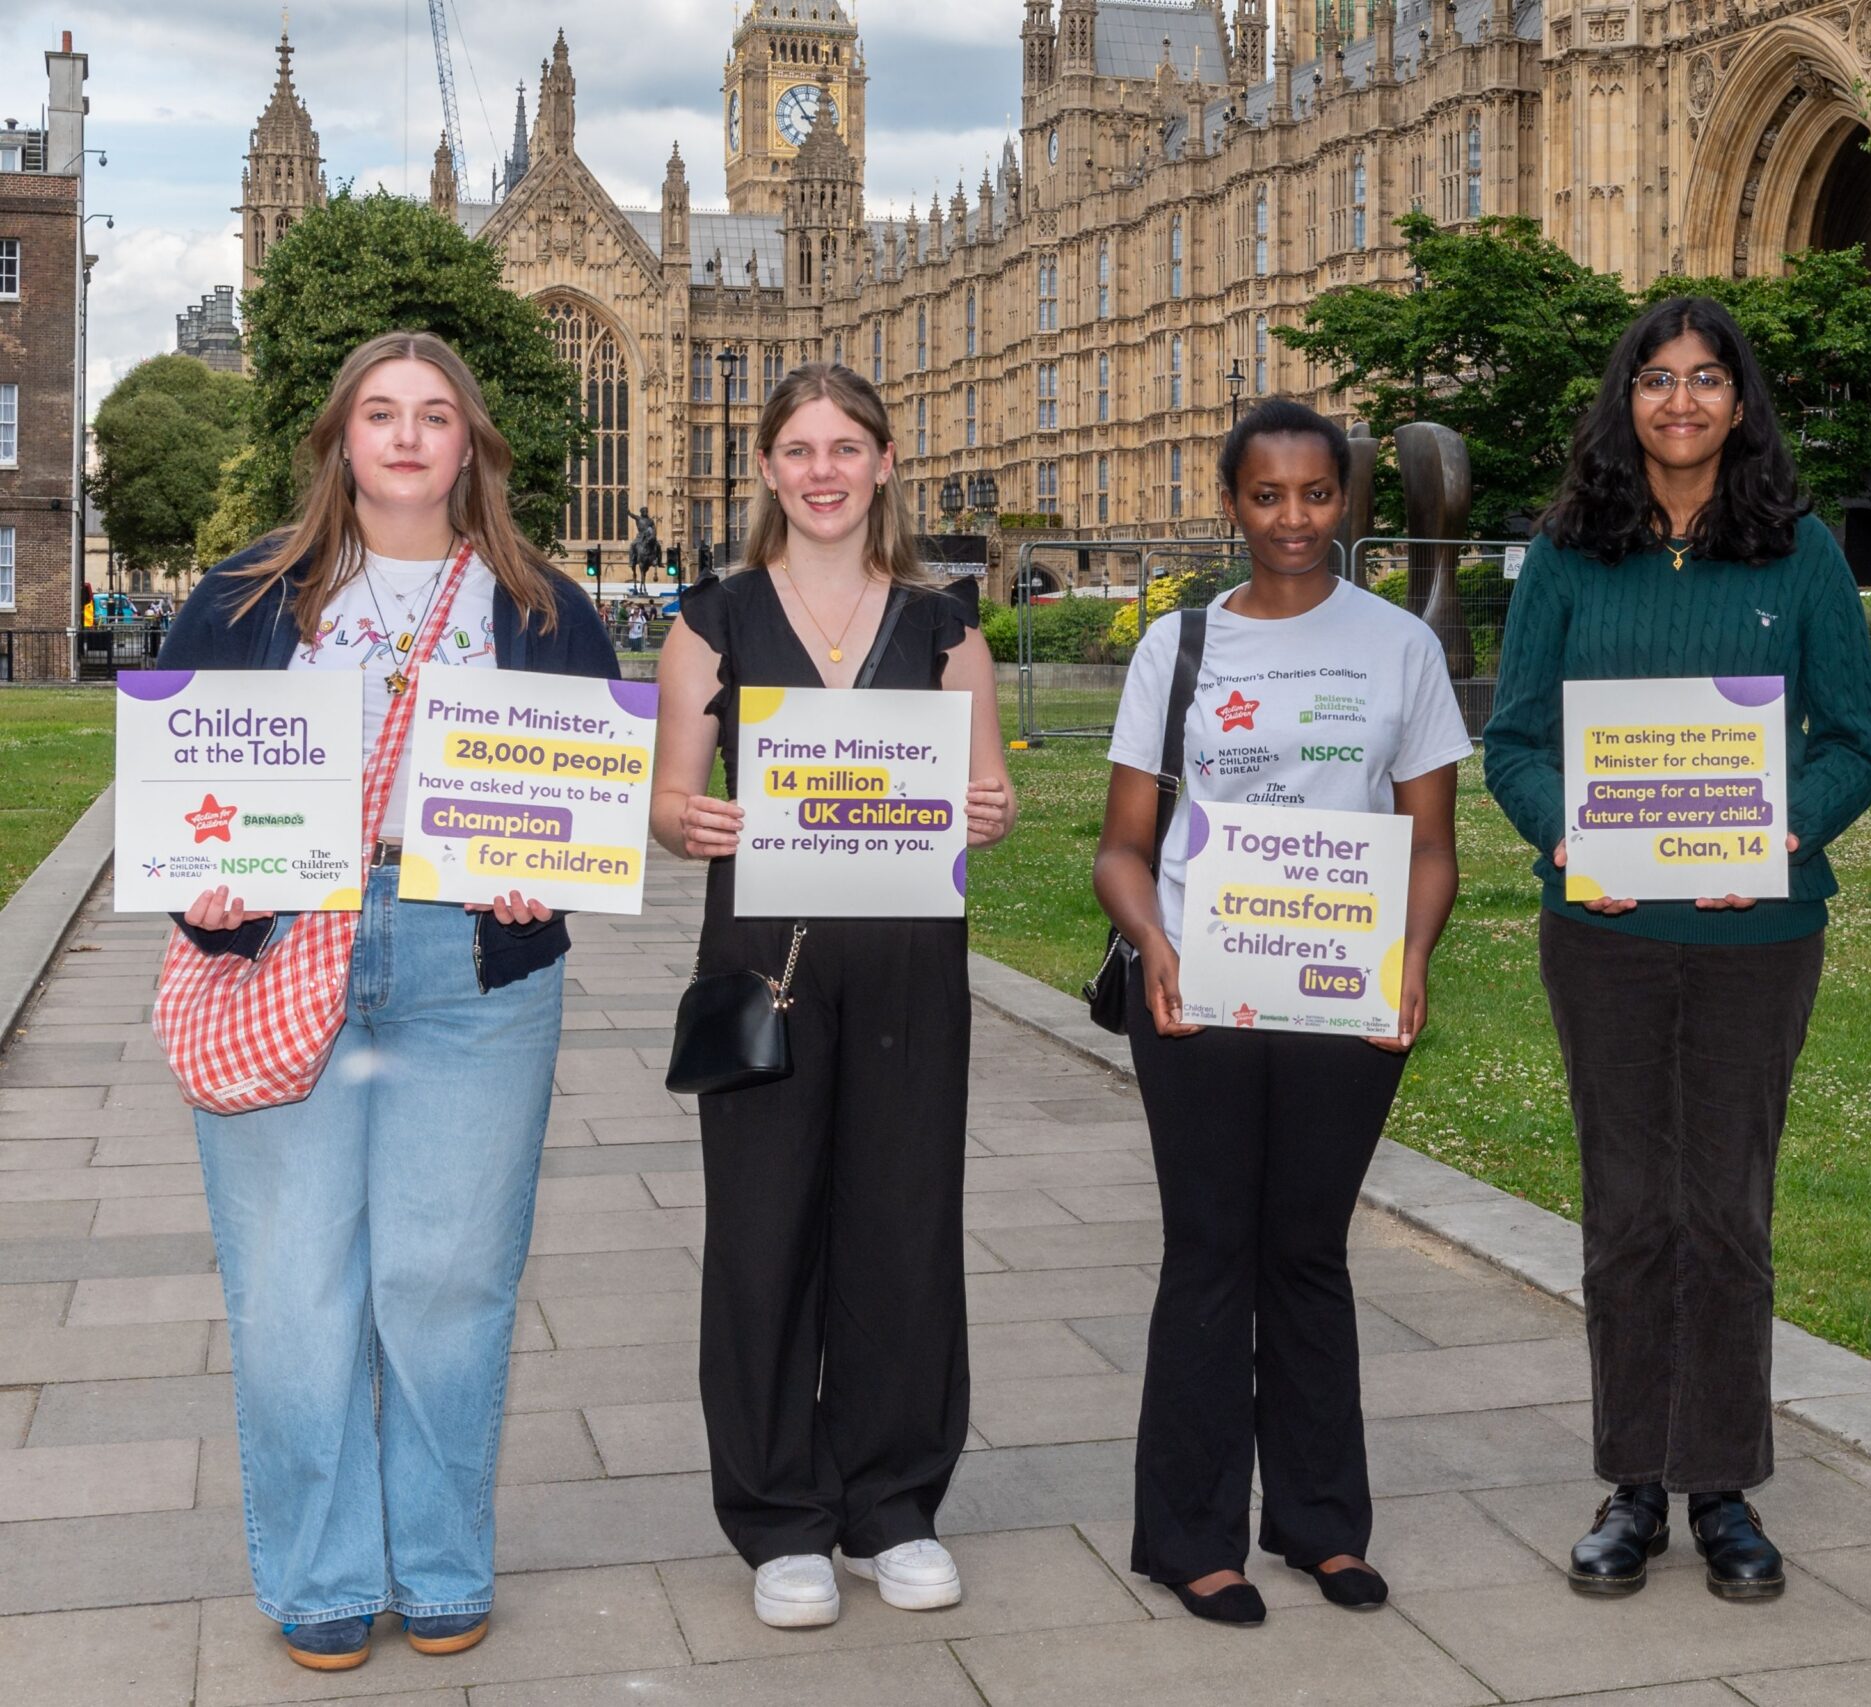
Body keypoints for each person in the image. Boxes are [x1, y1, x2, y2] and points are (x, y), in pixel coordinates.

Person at [157, 330, 618, 1671]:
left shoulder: (543, 603)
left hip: (466, 965)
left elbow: (575, 797)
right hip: (290, 940)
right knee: (296, 1286)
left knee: (450, 1276)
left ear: (471, 442)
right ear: (340, 441)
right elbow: (184, 789)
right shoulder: (249, 594)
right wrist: (211, 893)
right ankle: (321, 1569)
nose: (408, 437)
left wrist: (544, 878)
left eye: (434, 415)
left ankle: (439, 1559)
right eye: (380, 414)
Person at [1482, 296, 1871, 1600]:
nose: (1681, 401)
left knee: (1725, 1207)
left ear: (1740, 401)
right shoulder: (1564, 555)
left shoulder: (1802, 554)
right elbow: (1515, 743)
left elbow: (1853, 748)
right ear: (1626, 400)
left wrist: (1772, 841)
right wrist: (1569, 840)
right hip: (1602, 933)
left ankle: (1722, 1485)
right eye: (1657, 379)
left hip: (1754, 935)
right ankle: (1631, 1485)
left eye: (1707, 379)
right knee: (1628, 1207)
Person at [650, 362, 1017, 1628]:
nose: (821, 472)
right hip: (766, 962)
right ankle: (779, 1516)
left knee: (903, 1225)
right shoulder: (710, 620)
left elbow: (985, 800)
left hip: (913, 961)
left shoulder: (945, 627)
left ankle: (893, 1502)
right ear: (766, 469)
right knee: (763, 1237)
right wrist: (691, 821)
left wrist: (995, 808)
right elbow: (665, 807)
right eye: (798, 450)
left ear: (883, 463)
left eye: (844, 449)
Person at [1092, 399, 1468, 1625]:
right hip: (1197, 987)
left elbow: (1431, 846)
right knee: (1209, 1254)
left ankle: (1319, 1525)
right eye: (1268, 496)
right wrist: (1152, 943)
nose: (1295, 519)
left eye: (1317, 496)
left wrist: (1413, 956)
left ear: (1345, 502)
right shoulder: (1179, 646)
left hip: (1341, 992)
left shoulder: (1400, 647)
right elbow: (1120, 849)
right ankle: (1189, 1536)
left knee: (1306, 1255)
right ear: (1231, 504)